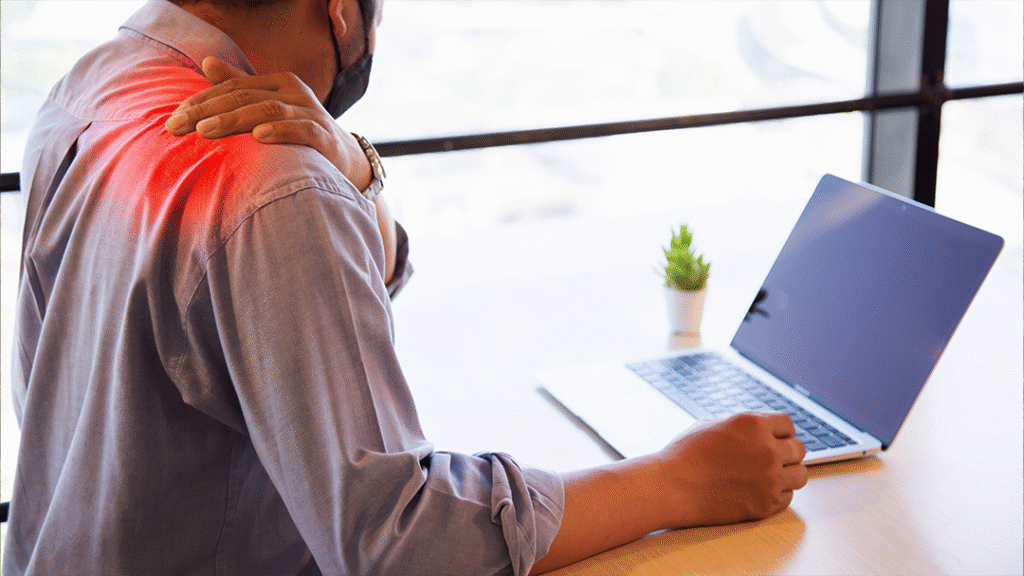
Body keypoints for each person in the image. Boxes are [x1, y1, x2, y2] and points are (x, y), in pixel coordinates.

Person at [3, 0, 808, 574]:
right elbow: (400, 544)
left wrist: (353, 162)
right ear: (342, 13)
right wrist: (679, 479)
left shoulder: (91, 88)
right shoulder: (270, 181)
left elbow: (40, 387)